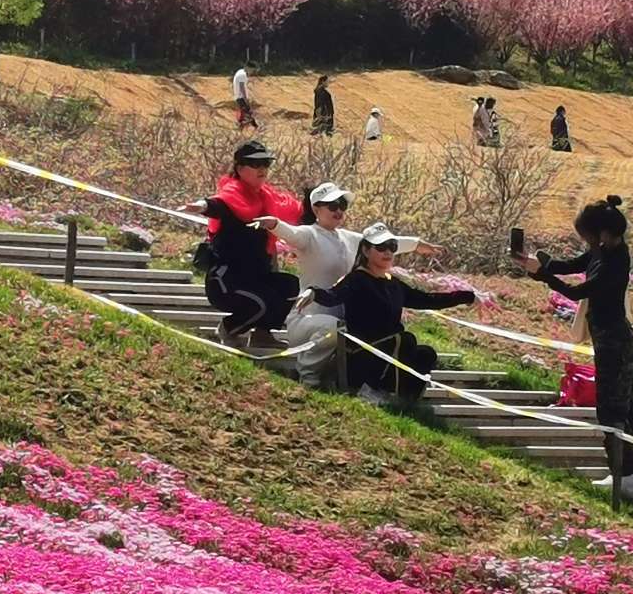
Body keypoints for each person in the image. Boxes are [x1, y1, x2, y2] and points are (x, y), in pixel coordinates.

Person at [515, 196, 633, 491]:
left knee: (610, 408)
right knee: (627, 404)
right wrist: (542, 264)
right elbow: (571, 265)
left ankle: (625, 473)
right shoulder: (601, 252)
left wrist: (543, 276)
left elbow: (577, 292)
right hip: (609, 336)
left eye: (587, 237)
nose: (586, 243)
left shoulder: (615, 260)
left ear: (601, 234)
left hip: (614, 338)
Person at [256, 183, 443, 387]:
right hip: (307, 321)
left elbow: (383, 243)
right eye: (332, 205)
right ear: (316, 209)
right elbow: (292, 233)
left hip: (343, 324)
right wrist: (274, 224)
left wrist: (416, 244)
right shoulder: (309, 235)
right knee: (332, 327)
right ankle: (308, 376)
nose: (338, 210)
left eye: (342, 205)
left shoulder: (350, 238)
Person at [309, 224, 476, 404]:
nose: (387, 252)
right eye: (381, 247)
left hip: (393, 348)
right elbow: (333, 295)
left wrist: (467, 296)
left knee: (425, 354)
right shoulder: (357, 279)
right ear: (366, 250)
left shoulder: (393, 284)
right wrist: (313, 292)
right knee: (404, 340)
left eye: (392, 247)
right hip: (362, 353)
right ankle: (370, 389)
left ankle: (405, 402)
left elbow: (427, 299)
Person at [178, 140, 302, 348]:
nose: (262, 169)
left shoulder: (267, 197)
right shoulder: (233, 194)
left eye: (266, 163)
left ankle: (263, 334)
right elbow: (217, 204)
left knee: (288, 286)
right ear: (240, 168)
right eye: (256, 164)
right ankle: (228, 328)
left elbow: (294, 210)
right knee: (262, 302)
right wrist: (200, 206)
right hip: (227, 280)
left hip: (256, 275)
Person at [233, 65, 258, 129]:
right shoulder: (242, 75)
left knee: (244, 113)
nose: (252, 72)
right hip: (241, 97)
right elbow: (242, 88)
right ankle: (256, 127)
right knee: (248, 112)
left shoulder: (241, 72)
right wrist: (246, 99)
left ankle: (240, 126)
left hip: (239, 96)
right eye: (252, 70)